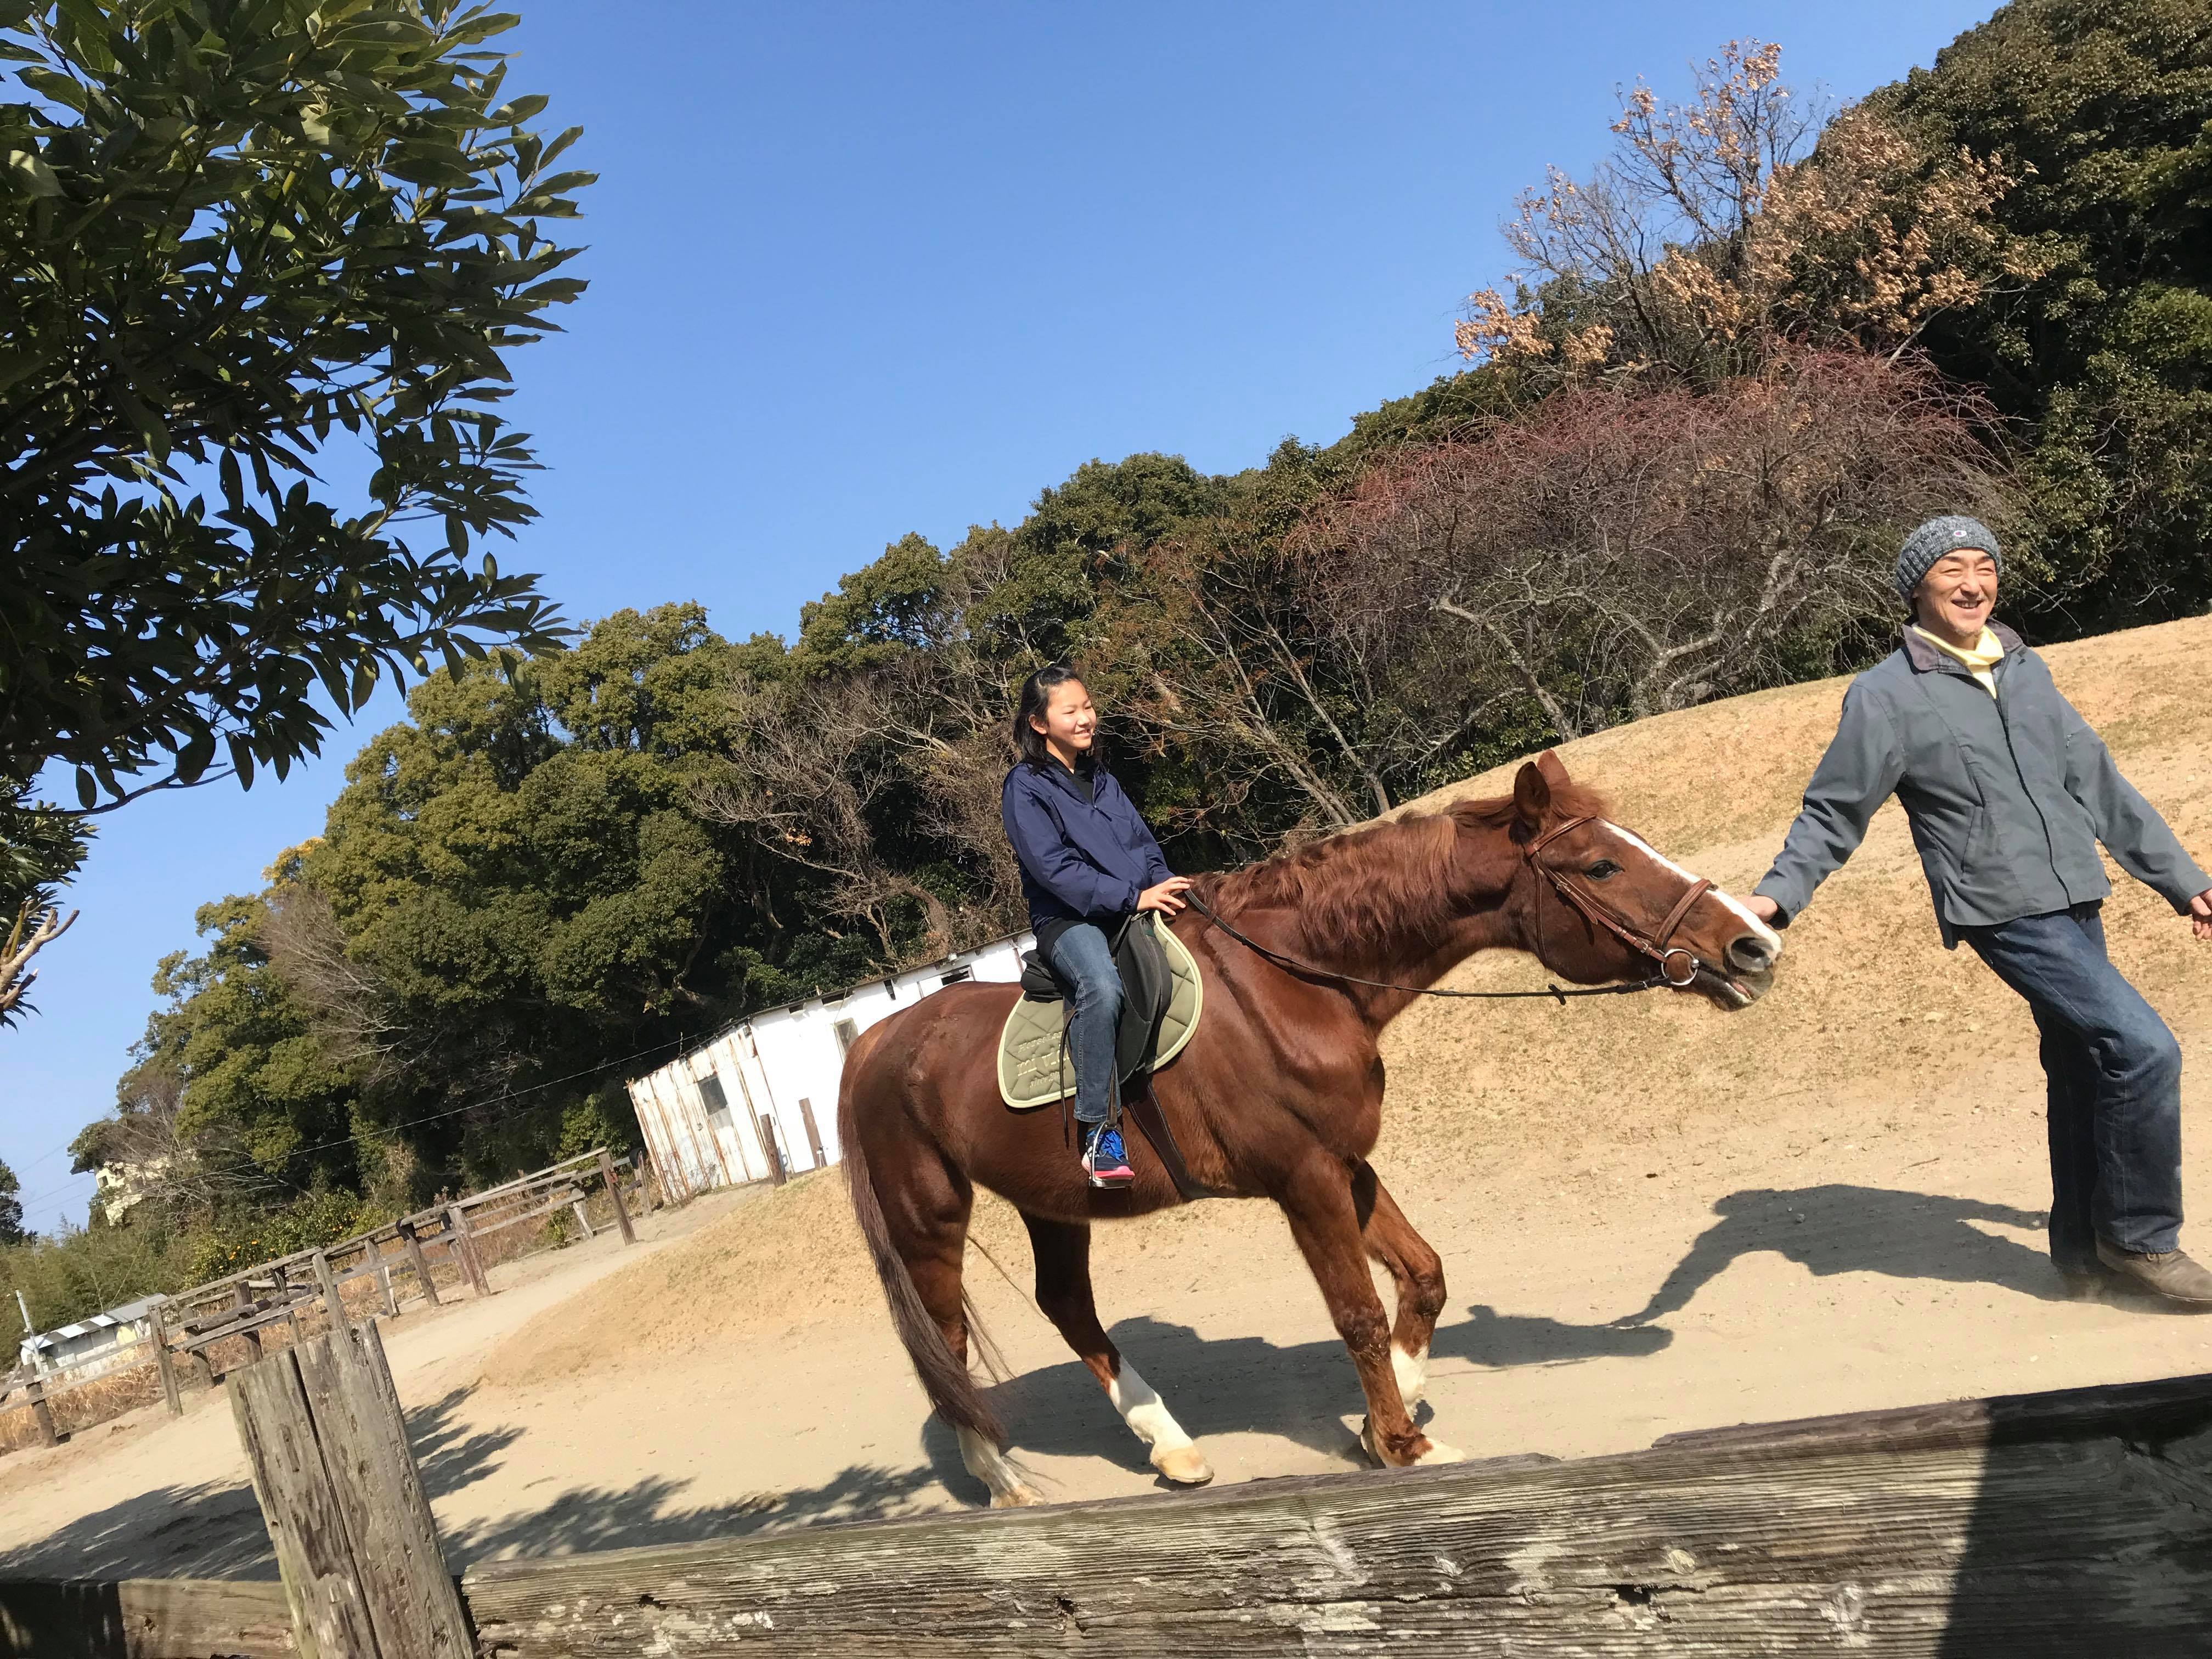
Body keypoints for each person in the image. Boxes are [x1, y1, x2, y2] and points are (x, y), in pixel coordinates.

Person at [1747, 515, 2212, 1307]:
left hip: (2074, 894)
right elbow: (1834, 812)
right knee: (2145, 1050)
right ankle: (2140, 1238)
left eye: (1984, 566)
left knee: (2084, 1069)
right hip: (2002, 908)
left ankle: (2081, 1258)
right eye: (1952, 569)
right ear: (1917, 589)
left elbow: (2097, 781)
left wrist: (2183, 880)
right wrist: (1774, 900)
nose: (1973, 582)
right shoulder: (1886, 697)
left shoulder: (2024, 667)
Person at [1001, 664, 1192, 1188]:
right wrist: (1132, 897)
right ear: (1040, 724)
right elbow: (1054, 869)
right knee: (1102, 989)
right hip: (1069, 919)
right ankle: (1098, 1133)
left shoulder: (1101, 776)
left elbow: (1142, 843)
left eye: (1088, 706)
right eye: (1072, 711)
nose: (1086, 718)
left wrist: (1165, 883)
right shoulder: (1025, 786)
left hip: (1132, 901)